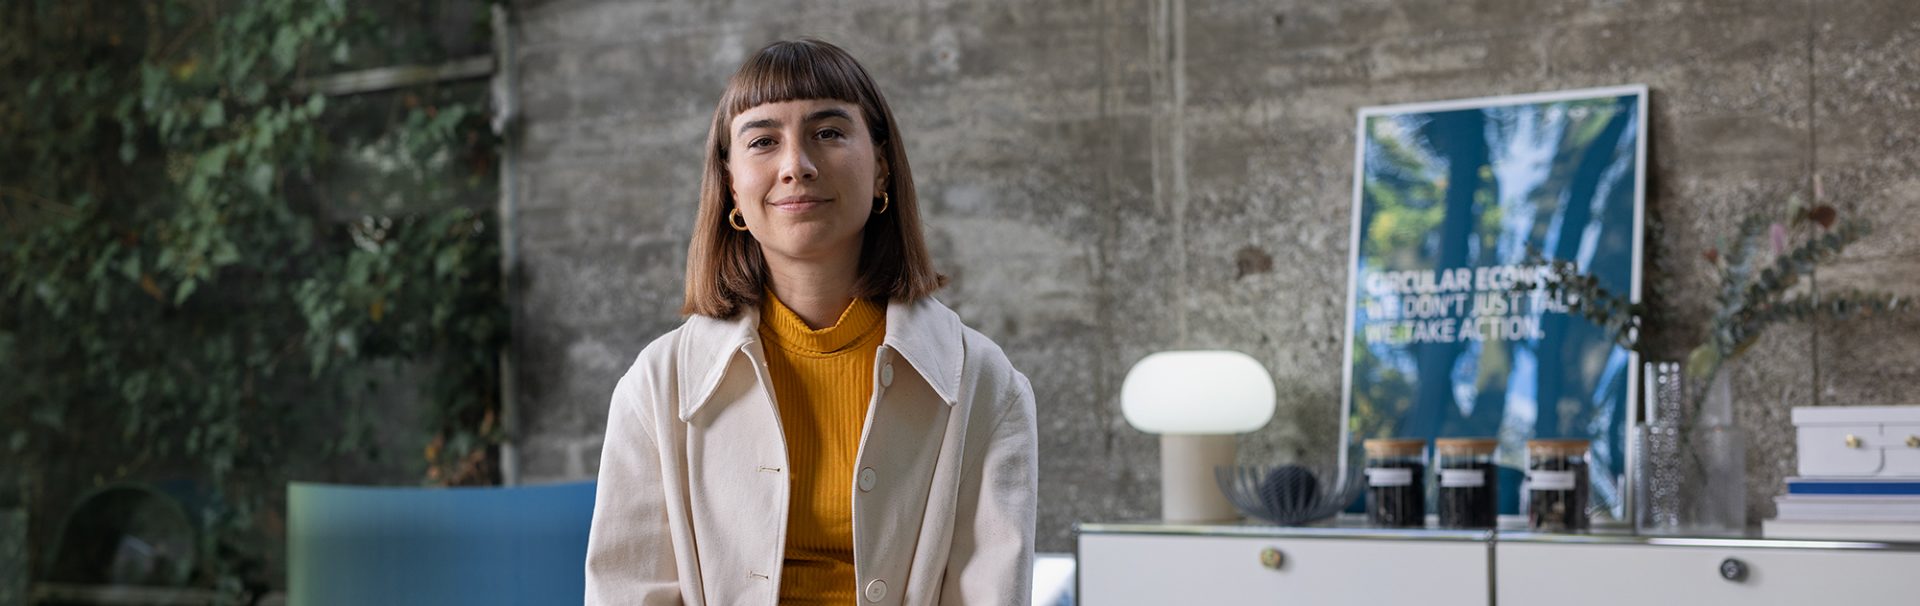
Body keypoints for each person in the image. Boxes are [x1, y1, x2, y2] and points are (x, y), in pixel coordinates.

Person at [584, 39, 1037, 605]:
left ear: (881, 170)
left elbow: (989, 592)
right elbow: (628, 589)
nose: (796, 166)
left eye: (828, 133)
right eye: (763, 141)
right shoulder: (656, 385)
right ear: (731, 185)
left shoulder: (984, 383)